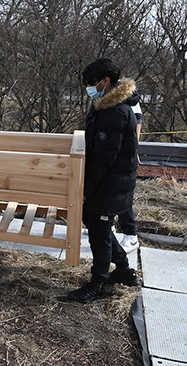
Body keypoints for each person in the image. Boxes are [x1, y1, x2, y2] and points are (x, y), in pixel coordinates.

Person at [68, 58, 141, 303]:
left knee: (99, 231)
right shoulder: (105, 106)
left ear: (105, 81)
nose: (89, 88)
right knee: (97, 224)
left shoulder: (115, 112)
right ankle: (123, 271)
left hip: (110, 184)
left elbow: (104, 159)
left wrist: (85, 190)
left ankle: (97, 284)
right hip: (108, 182)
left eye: (91, 83)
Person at [114, 102, 142, 253]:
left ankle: (130, 235)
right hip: (114, 153)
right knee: (109, 191)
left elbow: (136, 123)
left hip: (123, 157)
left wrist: (133, 149)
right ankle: (109, 226)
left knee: (122, 195)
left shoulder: (130, 101)